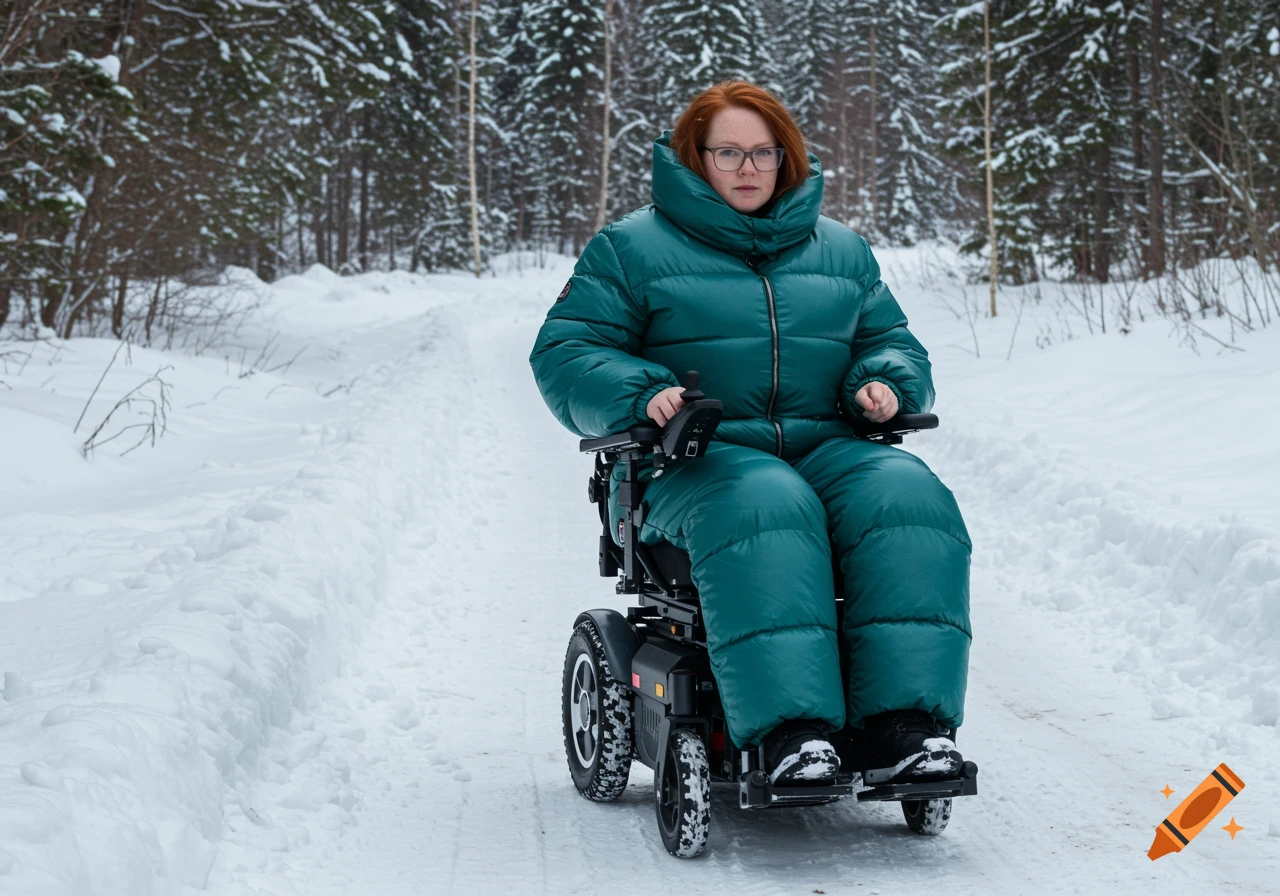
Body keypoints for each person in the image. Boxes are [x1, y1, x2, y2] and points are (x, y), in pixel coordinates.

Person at [529, 80, 972, 786]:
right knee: (768, 503)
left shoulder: (841, 251)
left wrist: (884, 382)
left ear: (787, 158)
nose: (747, 168)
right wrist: (645, 395)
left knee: (907, 497)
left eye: (763, 152)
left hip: (827, 447)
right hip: (689, 460)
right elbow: (564, 355)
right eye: (728, 152)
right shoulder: (630, 249)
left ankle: (905, 729)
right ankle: (792, 733)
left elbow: (891, 341)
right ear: (694, 158)